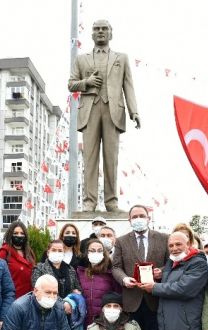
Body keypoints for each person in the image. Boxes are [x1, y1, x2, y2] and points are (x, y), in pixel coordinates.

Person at [68, 19, 140, 212]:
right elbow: (71, 84)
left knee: (111, 158)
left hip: (113, 111)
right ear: (92, 34)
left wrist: (134, 111)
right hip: (90, 111)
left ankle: (111, 202)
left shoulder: (121, 58)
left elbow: (128, 86)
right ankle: (89, 202)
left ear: (111, 33)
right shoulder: (81, 59)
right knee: (89, 158)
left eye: (104, 29)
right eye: (96, 29)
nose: (100, 32)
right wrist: (87, 82)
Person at [77, 238, 120, 327]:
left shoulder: (110, 272)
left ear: (104, 254)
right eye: (92, 251)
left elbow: (118, 295)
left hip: (104, 321)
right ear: (87, 253)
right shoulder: (79, 271)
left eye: (99, 251)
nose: (96, 253)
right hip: (84, 320)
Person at [0, 221, 36, 299]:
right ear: (10, 235)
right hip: (11, 299)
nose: (19, 235)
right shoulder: (4, 252)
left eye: (22, 233)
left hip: (29, 299)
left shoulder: (29, 252)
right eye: (15, 233)